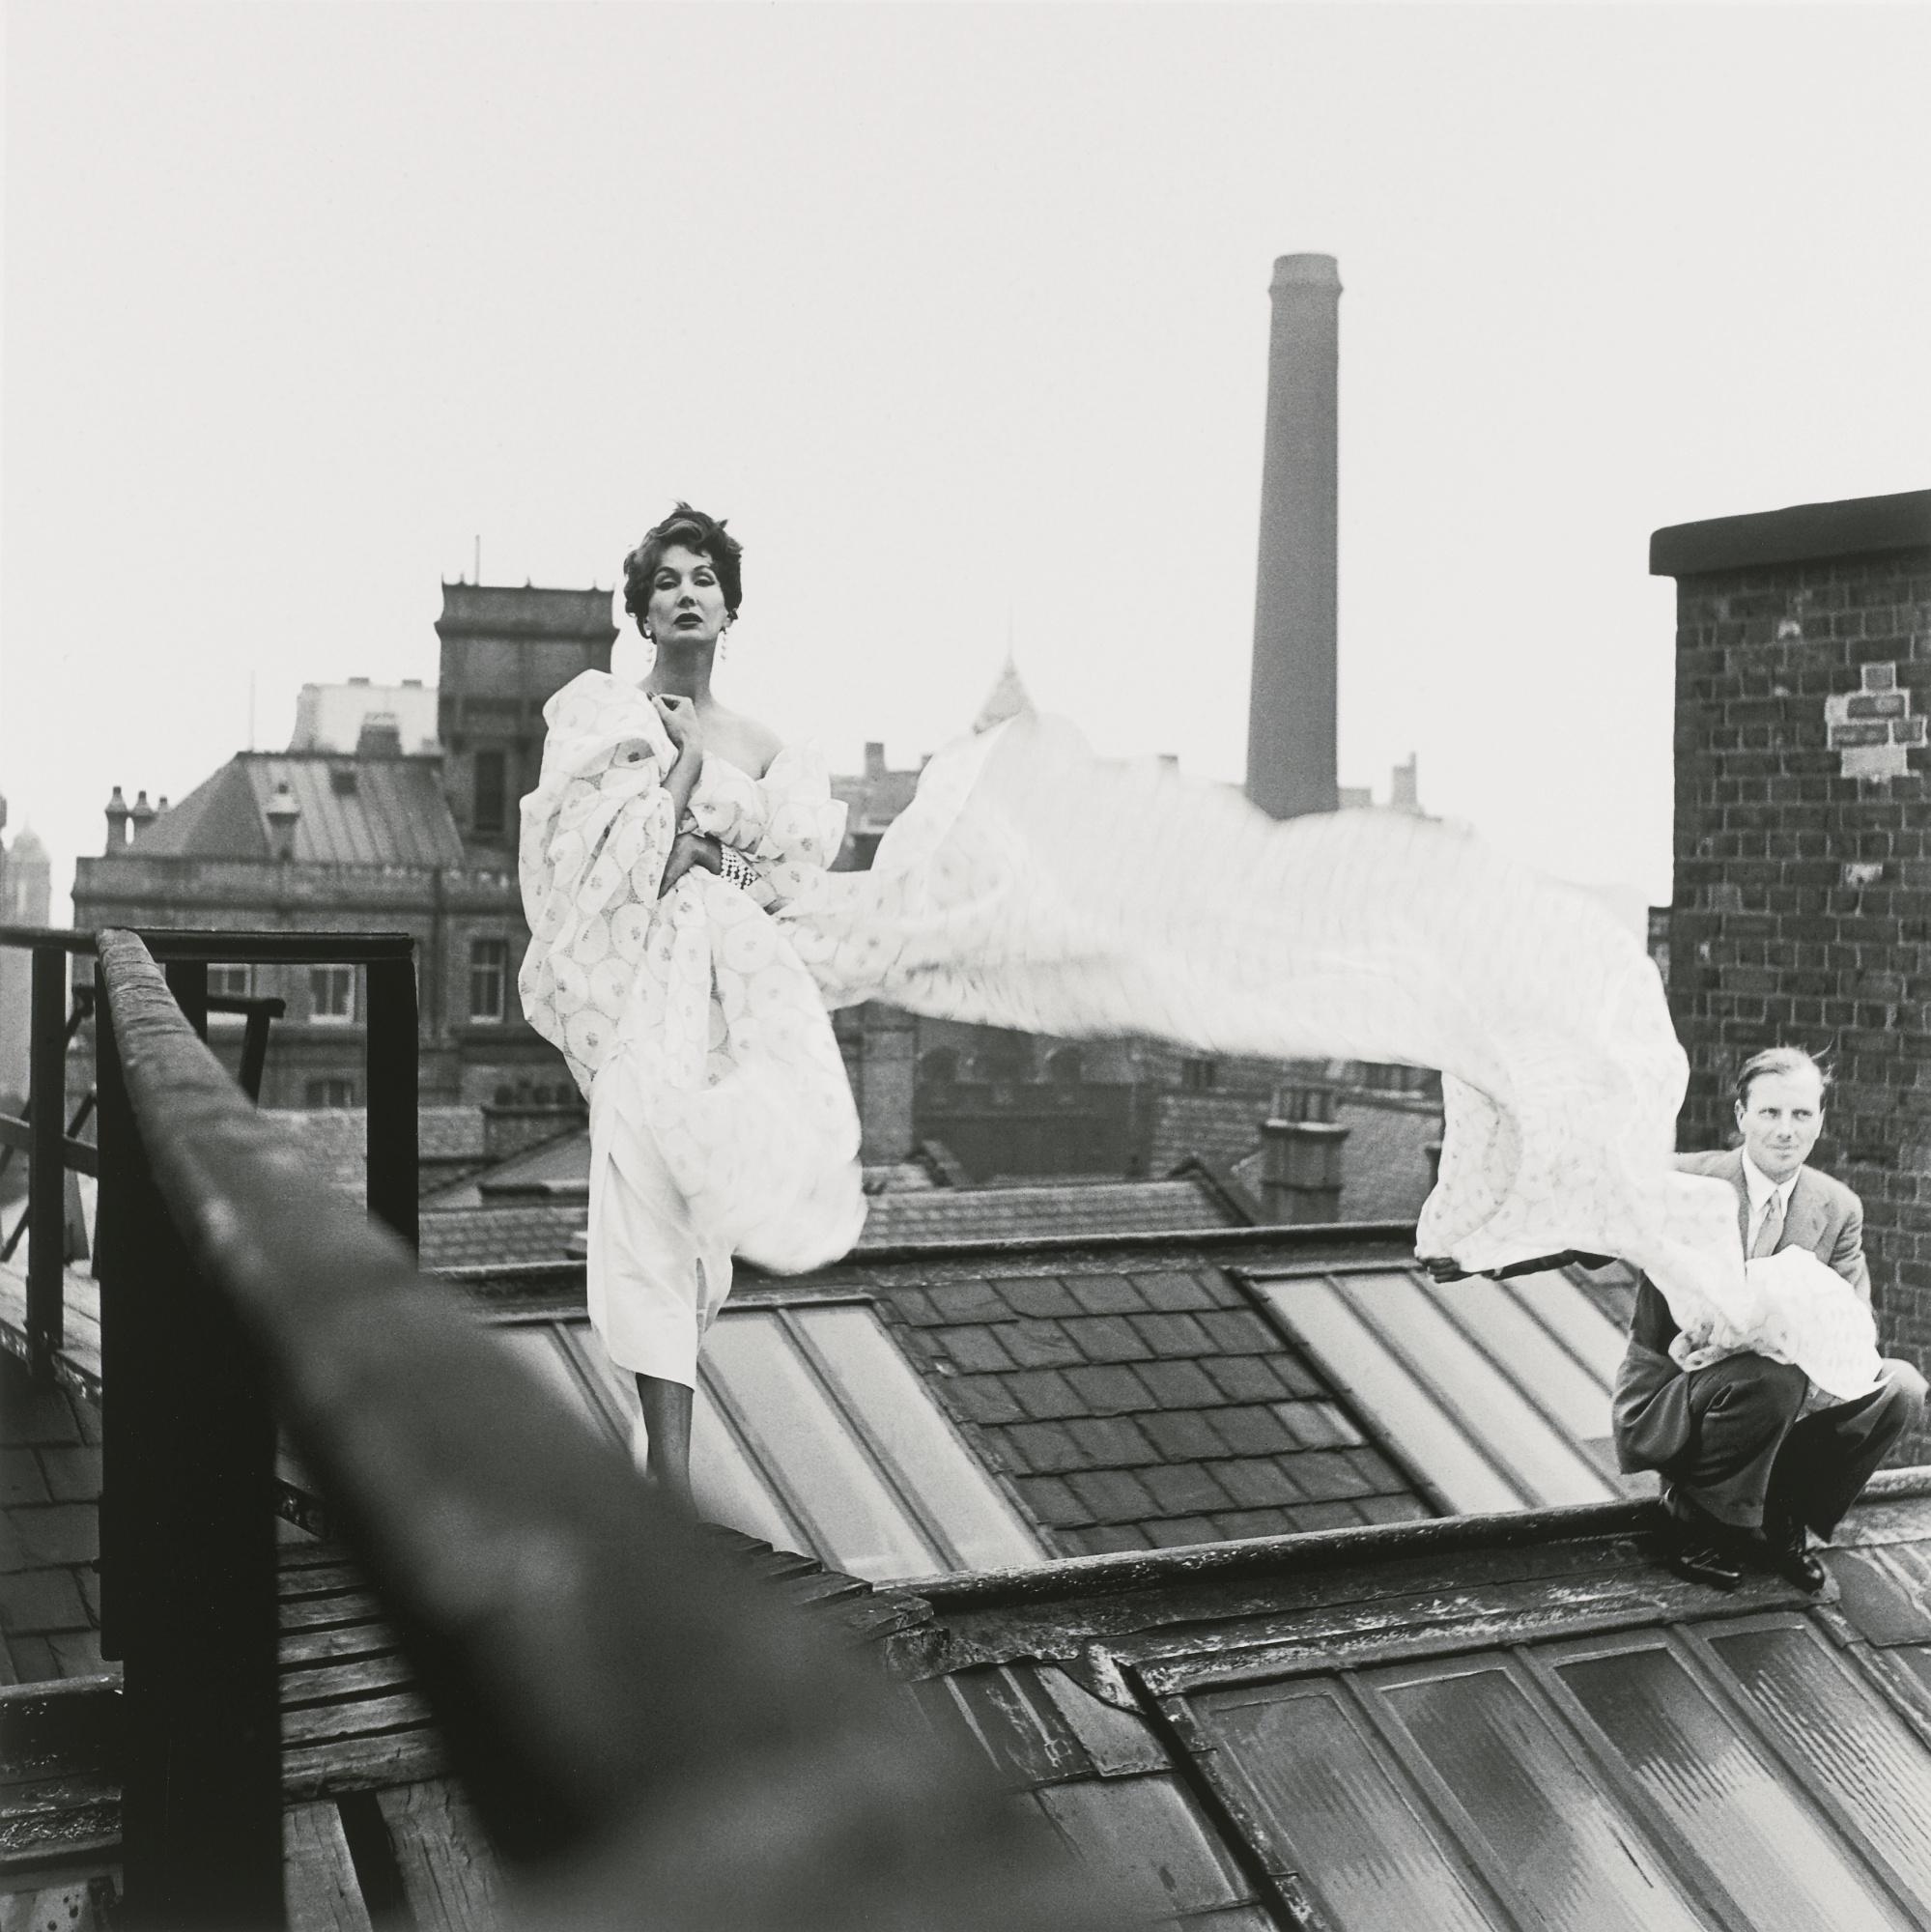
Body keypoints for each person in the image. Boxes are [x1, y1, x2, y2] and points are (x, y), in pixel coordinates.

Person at [1613, 1046, 1926, 1591]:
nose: (1786, 1131)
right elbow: (1590, 1233)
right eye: (1770, 1113)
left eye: (1801, 1114)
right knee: (1772, 1377)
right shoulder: (1684, 1180)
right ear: (1741, 1117)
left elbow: (1855, 1322)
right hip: (1680, 1386)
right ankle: (1697, 1521)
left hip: (1787, 1388)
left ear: (1820, 1121)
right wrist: (1478, 1251)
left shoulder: (1838, 1206)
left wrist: (1798, 1326)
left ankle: (1785, 1515)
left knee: (1901, 1387)